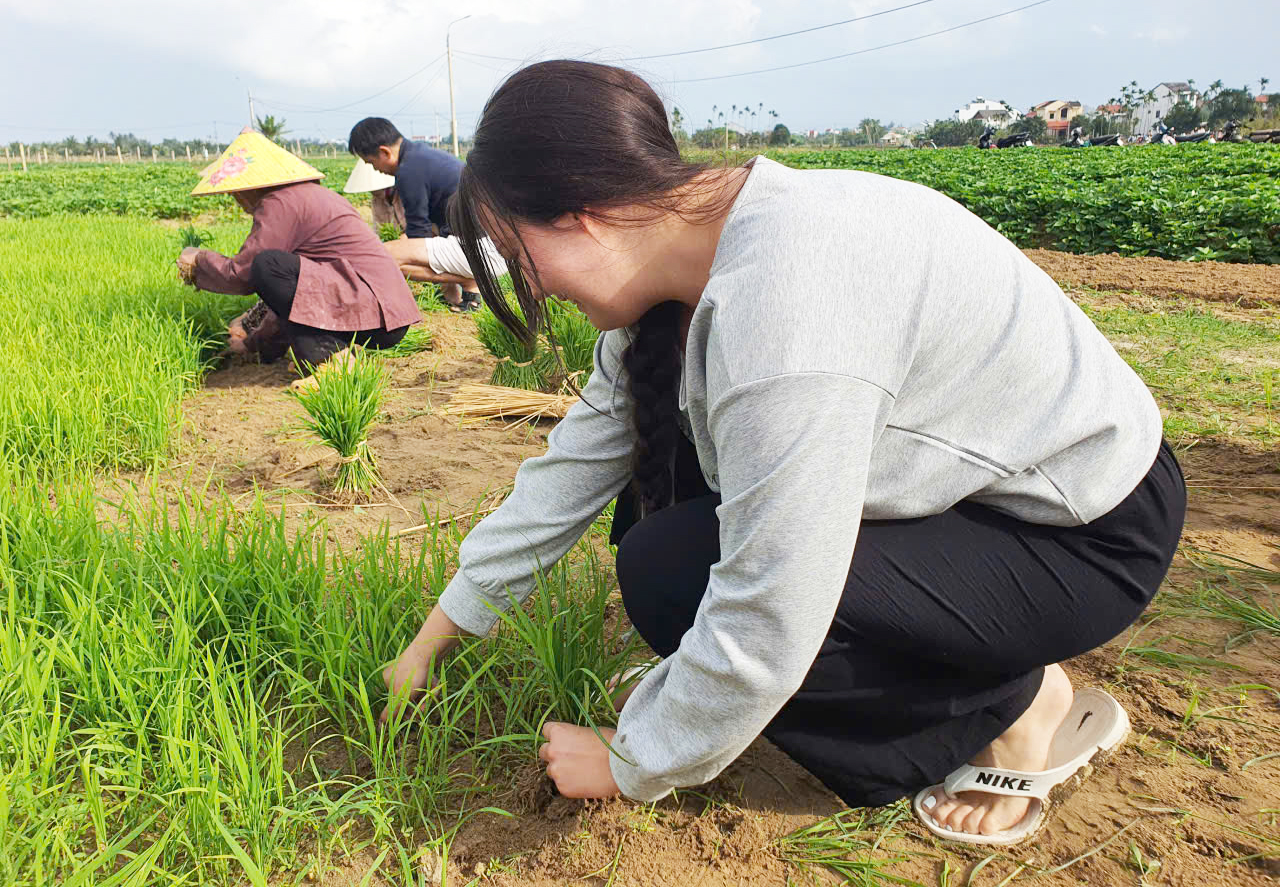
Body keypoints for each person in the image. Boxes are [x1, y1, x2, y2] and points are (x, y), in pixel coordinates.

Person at [379, 61, 1185, 847]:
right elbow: (569, 471)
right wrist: (433, 641)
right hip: (964, 490)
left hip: (1076, 529)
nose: (537, 287)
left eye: (519, 256)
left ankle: (1013, 709)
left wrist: (634, 760)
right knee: (659, 481)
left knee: (673, 577)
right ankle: (971, 680)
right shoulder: (691, 255)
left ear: (583, 214)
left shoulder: (789, 304)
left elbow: (773, 603)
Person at [176, 129, 420, 380]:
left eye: (234, 193)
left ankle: (334, 361)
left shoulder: (280, 203)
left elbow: (244, 274)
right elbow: (296, 298)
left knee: (266, 264)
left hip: (374, 309)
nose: (237, 200)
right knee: (274, 269)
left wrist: (198, 260)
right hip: (387, 313)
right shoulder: (309, 195)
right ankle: (325, 356)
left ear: (246, 189)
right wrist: (254, 343)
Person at [347, 117, 483, 312]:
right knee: (413, 242)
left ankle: (469, 279)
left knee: (386, 255)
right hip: (485, 242)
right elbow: (427, 227)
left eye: (371, 163)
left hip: (480, 250)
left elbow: (418, 233)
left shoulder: (409, 171)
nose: (375, 169)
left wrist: (400, 243)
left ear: (384, 152)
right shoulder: (419, 155)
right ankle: (457, 290)